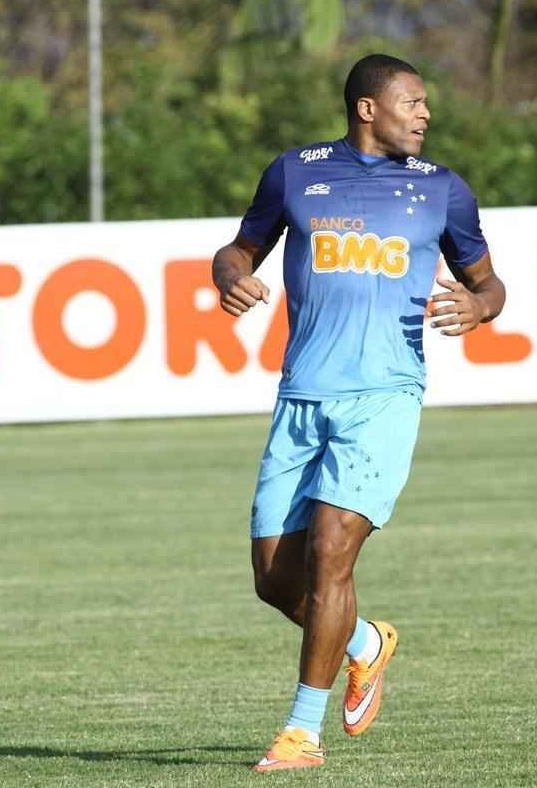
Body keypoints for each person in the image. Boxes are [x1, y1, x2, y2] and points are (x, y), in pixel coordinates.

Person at [211, 53, 507, 772]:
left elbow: (490, 282)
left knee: (332, 552)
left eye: (426, 103)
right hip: (302, 394)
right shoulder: (294, 172)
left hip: (386, 396)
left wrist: (479, 306)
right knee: (276, 580)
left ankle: (300, 734)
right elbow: (237, 249)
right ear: (368, 108)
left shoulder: (443, 191)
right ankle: (366, 646)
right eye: (413, 101)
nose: (426, 114)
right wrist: (230, 277)